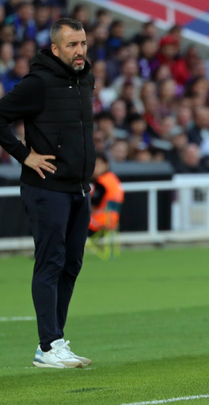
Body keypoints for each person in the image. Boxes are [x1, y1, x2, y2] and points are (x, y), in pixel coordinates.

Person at [0, 18, 95, 368]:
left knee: (71, 265)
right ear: (55, 49)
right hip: (46, 189)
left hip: (78, 188)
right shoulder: (36, 83)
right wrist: (25, 155)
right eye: (72, 45)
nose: (80, 51)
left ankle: (55, 344)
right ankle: (49, 344)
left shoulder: (86, 79)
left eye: (83, 43)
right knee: (51, 263)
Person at [89, 152, 124, 236]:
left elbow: (92, 206)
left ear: (106, 165)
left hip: (97, 223)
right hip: (112, 223)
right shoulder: (113, 179)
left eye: (97, 165)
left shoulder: (102, 183)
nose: (94, 169)